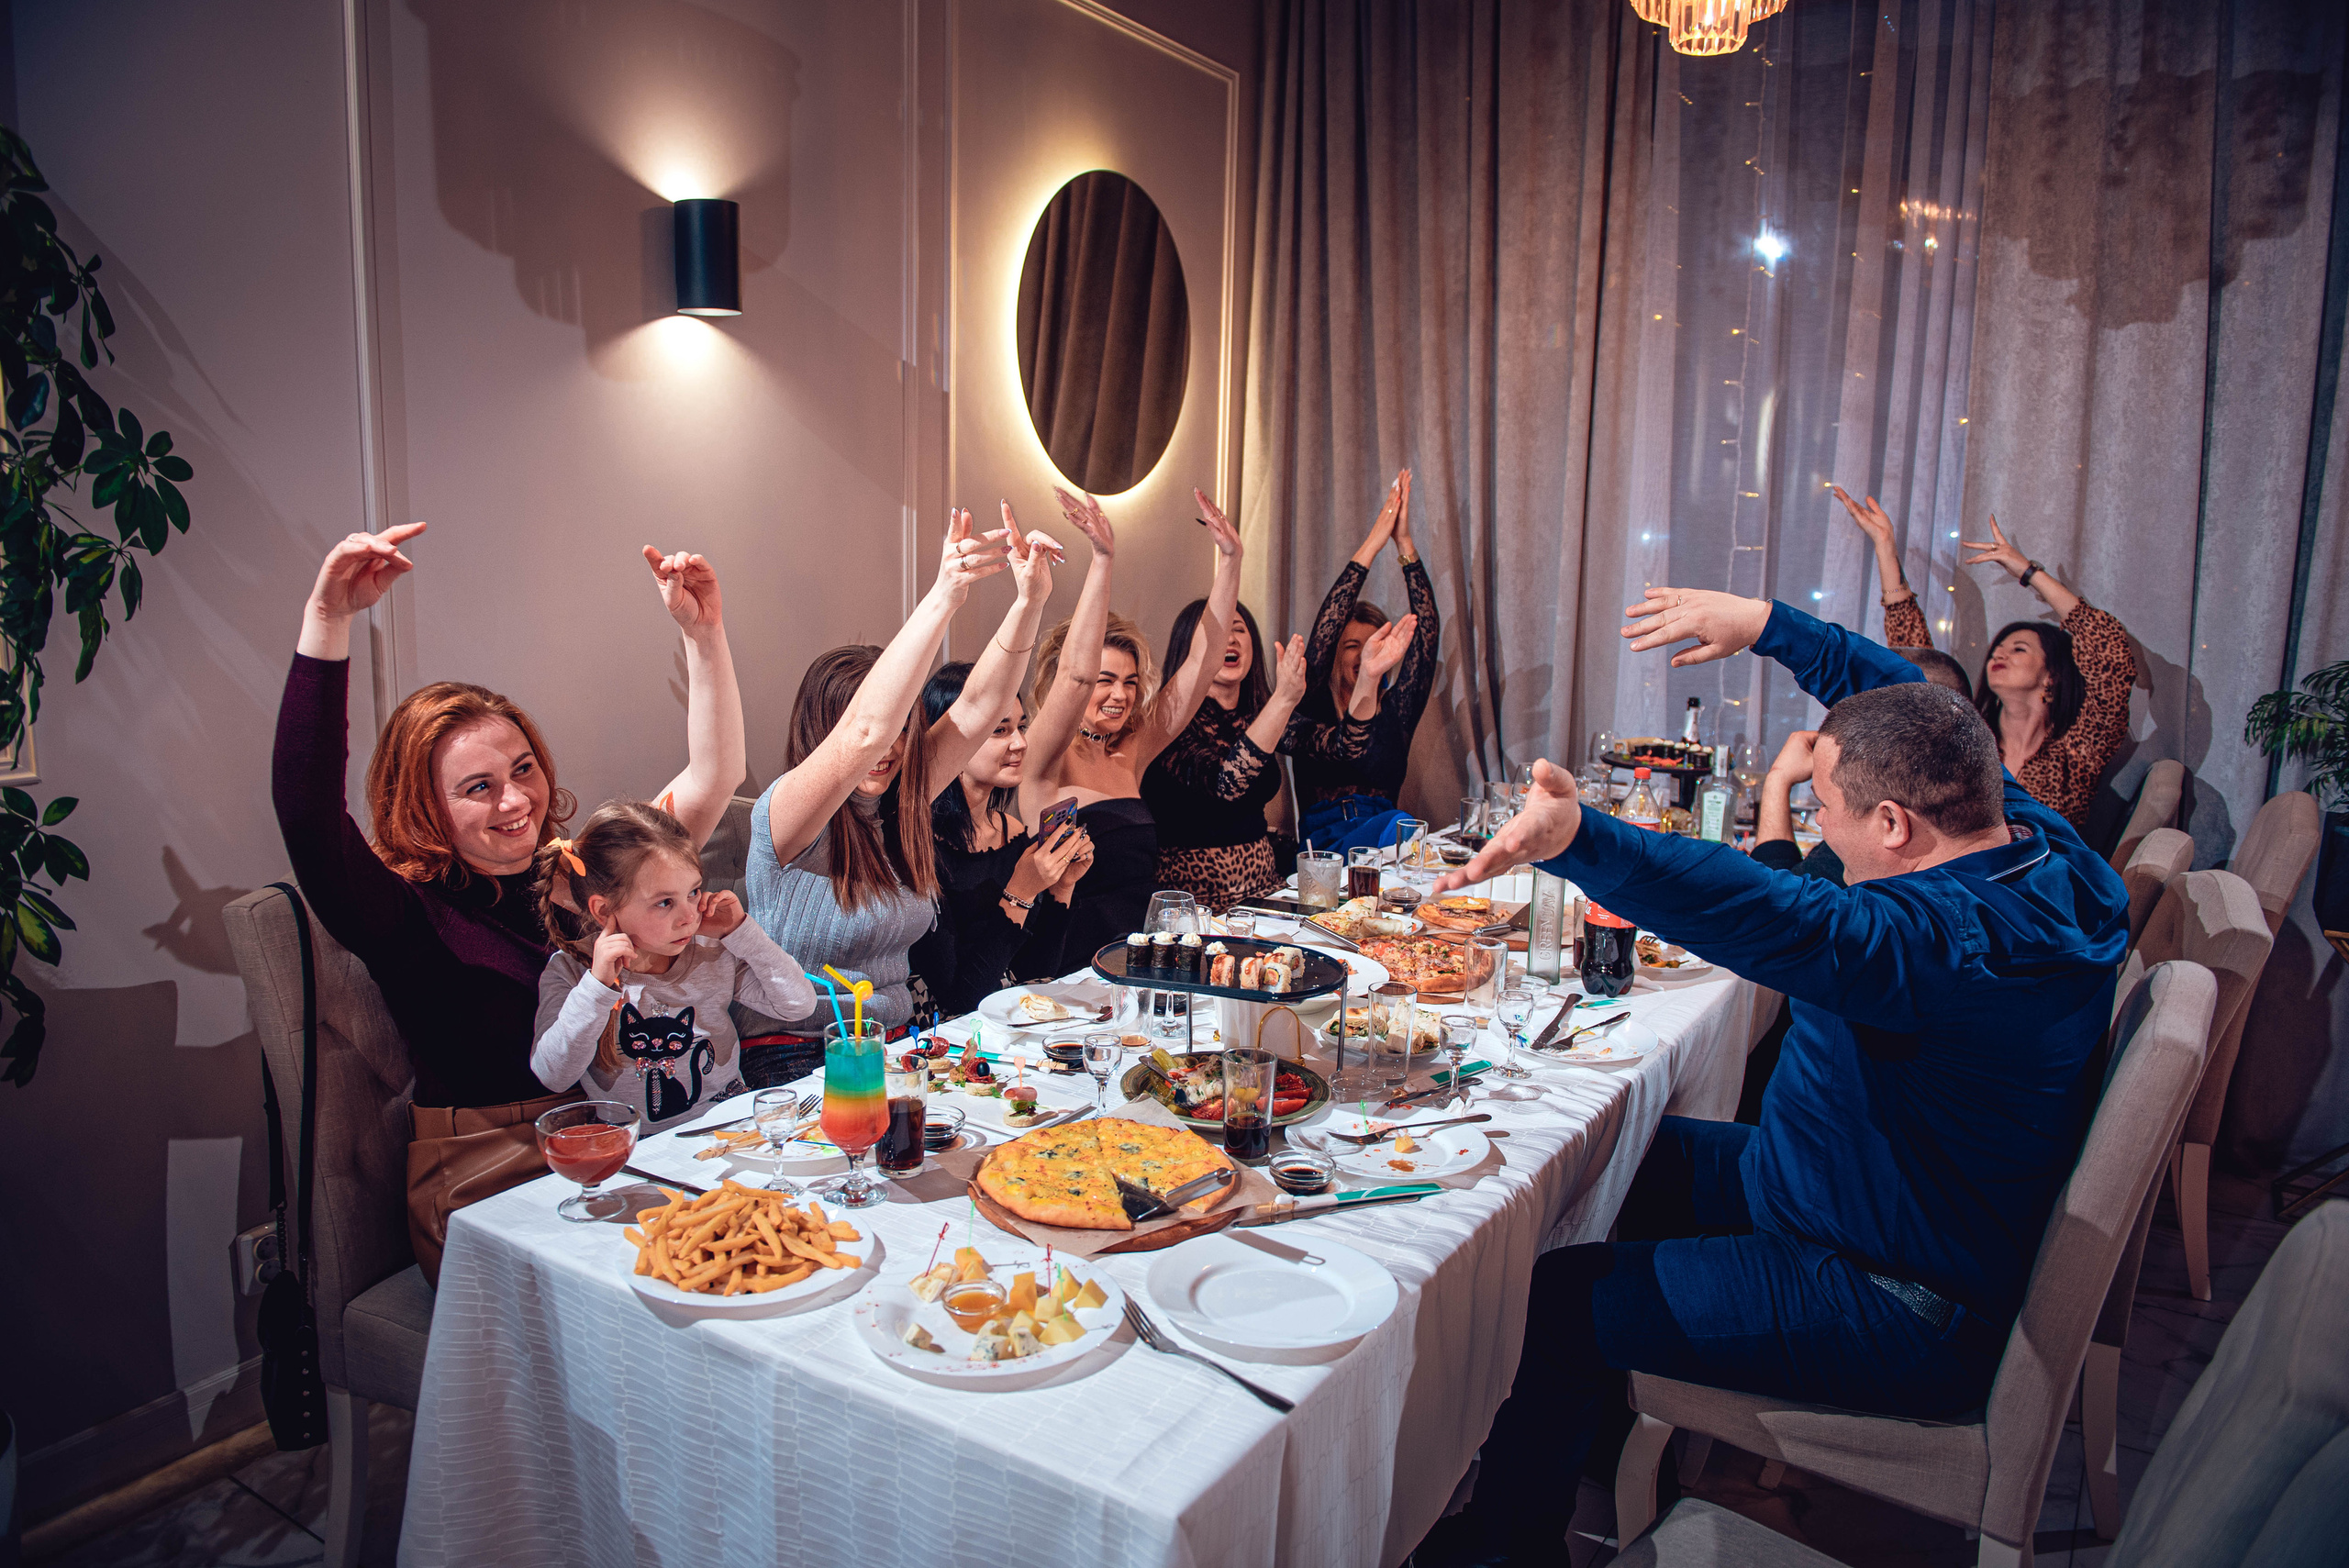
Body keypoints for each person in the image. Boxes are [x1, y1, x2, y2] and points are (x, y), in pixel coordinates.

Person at [1430, 584, 2130, 1562]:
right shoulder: (2036, 845)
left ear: (1890, 824)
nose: (1815, 828)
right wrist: (1765, 627)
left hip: (1887, 1288)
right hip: (1849, 1190)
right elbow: (1922, 711)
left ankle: (1506, 1546)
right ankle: (1592, 1435)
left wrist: (1583, 840)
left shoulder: (1938, 943)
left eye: (1822, 810)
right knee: (1587, 1152)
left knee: (1558, 1300)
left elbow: (1777, 912)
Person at [273, 523, 746, 1279]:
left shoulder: (582, 871)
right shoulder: (404, 914)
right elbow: (305, 812)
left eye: (523, 768)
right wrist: (327, 620)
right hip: (489, 1179)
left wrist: (704, 632)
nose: (517, 799)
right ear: (424, 804)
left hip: (618, 1151)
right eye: (478, 787)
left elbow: (714, 774)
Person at [737, 508, 1061, 1086]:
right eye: (878, 733)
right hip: (794, 1054)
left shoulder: (898, 805)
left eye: (904, 731)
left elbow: (980, 704)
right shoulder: (785, 814)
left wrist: (1029, 601)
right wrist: (945, 594)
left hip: (896, 1044)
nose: (887, 749)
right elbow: (865, 731)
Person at [1024, 485, 1243, 964]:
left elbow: (1202, 666)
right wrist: (1102, 558)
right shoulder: (1042, 756)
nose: (1120, 695)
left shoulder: (1131, 750)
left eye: (1128, 681)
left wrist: (1230, 560)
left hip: (1140, 957)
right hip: (1068, 961)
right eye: (1106, 681)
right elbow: (1074, 675)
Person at [1833, 485, 2134, 827]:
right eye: (1998, 649)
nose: (1999, 654)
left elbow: (2110, 651)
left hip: (2031, 879)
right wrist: (1885, 548)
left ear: (2052, 675)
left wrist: (2028, 572)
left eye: (2018, 649)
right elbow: (1918, 662)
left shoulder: (2076, 753)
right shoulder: (1970, 741)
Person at [530, 800, 814, 1129]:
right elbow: (553, 1075)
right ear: (604, 911)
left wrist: (742, 931)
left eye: (693, 892)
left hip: (731, 1128)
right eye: (664, 902)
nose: (689, 916)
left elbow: (798, 1005)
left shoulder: (711, 952)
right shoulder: (572, 973)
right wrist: (597, 987)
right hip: (640, 1150)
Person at [906, 661, 1094, 1018]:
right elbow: (958, 1002)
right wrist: (1020, 893)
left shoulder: (1012, 833)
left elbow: (1036, 975)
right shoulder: (917, 844)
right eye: (999, 730)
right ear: (949, 740)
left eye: (1020, 727)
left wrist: (1061, 889)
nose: (1020, 743)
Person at [1282, 467, 1439, 852]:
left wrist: (1404, 544)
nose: (1366, 652)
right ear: (1336, 654)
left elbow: (1428, 630)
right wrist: (1375, 540)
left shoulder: (1398, 709)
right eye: (1353, 645)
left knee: (1399, 827)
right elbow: (1328, 621)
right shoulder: (1313, 699)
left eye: (1375, 644)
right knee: (1403, 827)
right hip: (1324, 852)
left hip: (1384, 843)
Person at [1140, 600, 1308, 908]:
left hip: (1266, 891)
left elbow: (1339, 748)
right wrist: (1283, 700)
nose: (1229, 639)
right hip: (1194, 905)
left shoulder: (1258, 711)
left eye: (1239, 630)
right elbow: (1227, 782)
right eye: (1217, 633)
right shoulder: (1166, 722)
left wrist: (1369, 675)